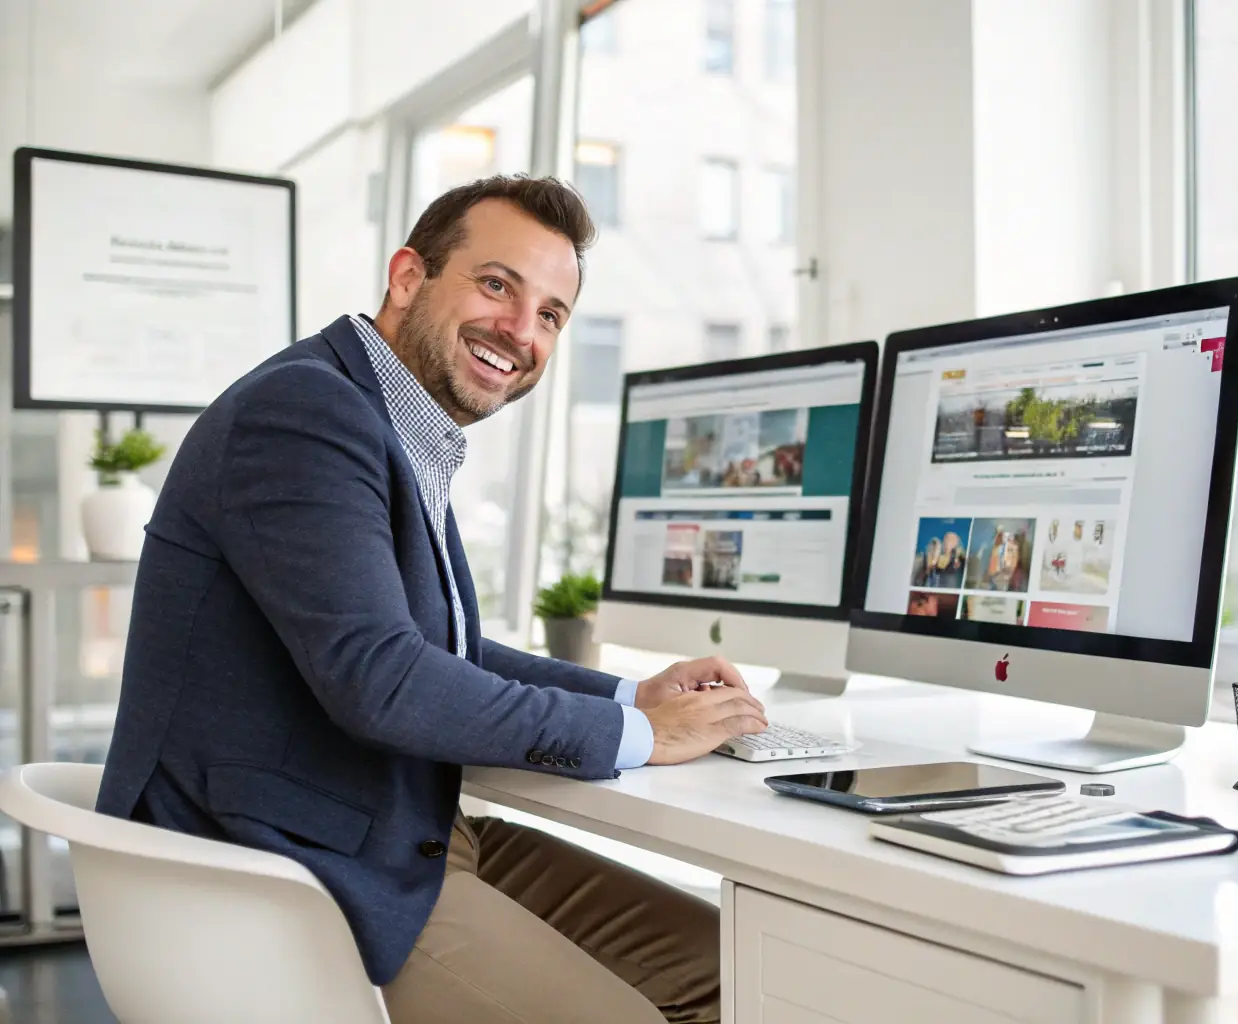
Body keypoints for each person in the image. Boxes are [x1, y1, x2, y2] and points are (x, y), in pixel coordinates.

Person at [95, 175, 771, 1024]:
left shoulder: (392, 420)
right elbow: (380, 677)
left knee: (740, 971)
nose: (520, 332)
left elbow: (428, 650)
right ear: (408, 276)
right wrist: (638, 735)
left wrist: (627, 696)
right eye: (496, 285)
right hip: (283, 859)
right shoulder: (305, 411)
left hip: (393, 827)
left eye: (551, 314)